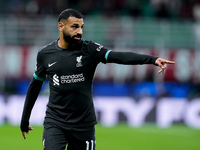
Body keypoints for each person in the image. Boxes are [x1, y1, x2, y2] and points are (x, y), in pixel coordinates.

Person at [20, 8, 175, 150]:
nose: (80, 31)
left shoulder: (90, 50)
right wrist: (25, 118)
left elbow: (118, 56)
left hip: (83, 124)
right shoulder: (45, 54)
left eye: (81, 27)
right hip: (55, 122)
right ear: (61, 26)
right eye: (75, 26)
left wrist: (152, 59)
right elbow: (35, 86)